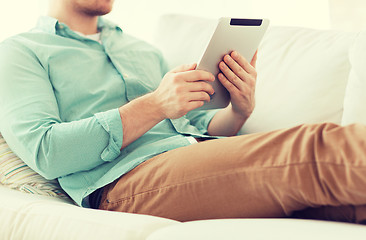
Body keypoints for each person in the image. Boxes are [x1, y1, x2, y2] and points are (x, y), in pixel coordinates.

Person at [0, 0, 366, 223]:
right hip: (122, 183)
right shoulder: (20, 51)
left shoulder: (141, 50)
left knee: (349, 206)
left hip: (190, 157)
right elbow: (46, 152)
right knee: (313, 147)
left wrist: (238, 110)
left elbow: (192, 126)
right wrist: (155, 104)